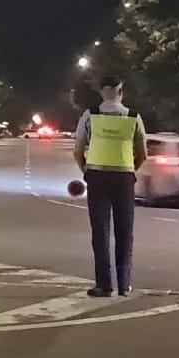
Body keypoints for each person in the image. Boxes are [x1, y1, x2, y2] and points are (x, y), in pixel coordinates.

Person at [73, 75, 148, 298]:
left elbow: (77, 151)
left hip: (96, 176)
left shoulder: (90, 115)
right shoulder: (134, 117)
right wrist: (130, 168)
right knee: (125, 231)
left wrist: (86, 171)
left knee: (101, 232)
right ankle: (124, 284)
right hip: (124, 177)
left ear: (101, 92)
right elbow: (143, 153)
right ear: (120, 91)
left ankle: (104, 285)